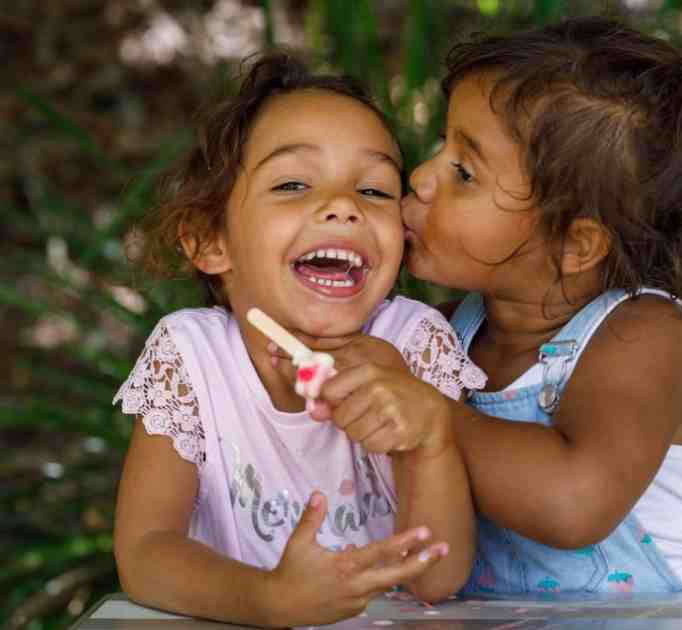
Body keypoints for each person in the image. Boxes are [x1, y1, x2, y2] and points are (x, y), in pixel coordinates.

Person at [274, 16, 682, 594]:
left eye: (464, 173)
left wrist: (431, 414)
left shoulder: (644, 337)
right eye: (440, 149)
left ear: (576, 244)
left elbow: (574, 505)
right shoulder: (453, 332)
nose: (422, 178)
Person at [111, 52, 482, 627]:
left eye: (376, 191)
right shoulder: (192, 358)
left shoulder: (415, 346)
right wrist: (268, 599)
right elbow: (144, 555)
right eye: (292, 184)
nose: (343, 207)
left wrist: (429, 436)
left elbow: (438, 576)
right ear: (212, 241)